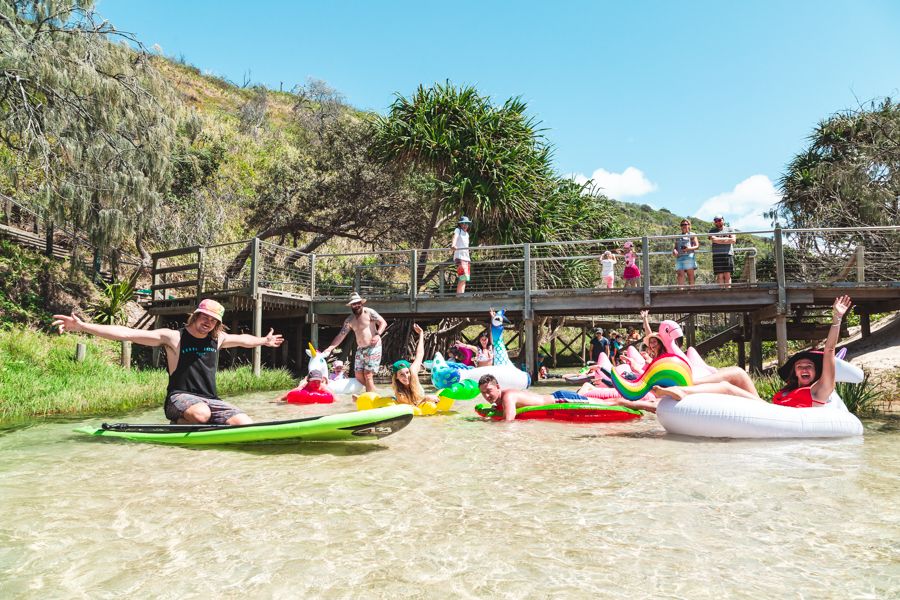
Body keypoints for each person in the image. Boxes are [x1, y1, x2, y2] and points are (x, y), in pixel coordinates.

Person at [52, 299, 284, 425]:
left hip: (210, 398)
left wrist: (264, 340)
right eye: (204, 316)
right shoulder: (173, 337)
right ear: (195, 316)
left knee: (244, 422)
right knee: (201, 414)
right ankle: (180, 423)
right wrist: (83, 326)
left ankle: (202, 423)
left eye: (213, 320)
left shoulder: (218, 339)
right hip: (179, 398)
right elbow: (127, 333)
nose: (207, 322)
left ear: (217, 324)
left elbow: (243, 340)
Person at [654, 296, 853, 407]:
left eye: (808, 366)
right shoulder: (788, 390)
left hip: (779, 418)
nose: (803, 369)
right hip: (768, 410)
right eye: (799, 366)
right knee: (738, 373)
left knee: (727, 387)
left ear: (816, 372)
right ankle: (689, 383)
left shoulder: (819, 390)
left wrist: (836, 318)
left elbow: (829, 350)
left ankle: (681, 391)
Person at [478, 374, 656, 421]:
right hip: (558, 398)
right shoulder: (502, 399)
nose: (487, 396)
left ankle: (649, 405)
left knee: (608, 402)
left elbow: (508, 422)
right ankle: (647, 404)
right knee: (606, 401)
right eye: (483, 393)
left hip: (561, 400)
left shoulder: (508, 396)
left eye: (489, 390)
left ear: (498, 387)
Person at [322, 292, 387, 393]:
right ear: (351, 306)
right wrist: (330, 347)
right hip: (360, 349)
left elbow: (383, 322)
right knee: (358, 375)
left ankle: (371, 396)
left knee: (368, 374)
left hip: (373, 347)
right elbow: (341, 335)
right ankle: (374, 392)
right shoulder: (349, 320)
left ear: (361, 303)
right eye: (354, 304)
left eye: (358, 303)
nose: (356, 305)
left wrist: (378, 334)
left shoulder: (369, 312)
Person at [391, 324, 438, 407]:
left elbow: (420, 354)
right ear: (396, 377)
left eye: (407, 372)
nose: (406, 376)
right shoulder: (399, 393)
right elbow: (411, 408)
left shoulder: (412, 372)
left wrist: (421, 334)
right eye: (401, 374)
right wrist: (425, 398)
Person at [708, 214, 736, 287]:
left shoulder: (730, 229)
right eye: (716, 221)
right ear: (714, 222)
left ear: (723, 220)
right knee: (719, 276)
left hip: (728, 254)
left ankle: (728, 293)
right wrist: (727, 239)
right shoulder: (712, 231)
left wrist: (718, 239)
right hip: (717, 255)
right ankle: (721, 293)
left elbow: (733, 240)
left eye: (719, 220)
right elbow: (713, 240)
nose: (718, 222)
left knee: (727, 275)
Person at [673, 219, 700, 286]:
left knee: (690, 276)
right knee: (680, 276)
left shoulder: (692, 234)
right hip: (679, 257)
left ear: (689, 225)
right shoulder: (678, 236)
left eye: (685, 224)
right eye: (682, 225)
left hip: (689, 256)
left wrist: (688, 249)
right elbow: (675, 247)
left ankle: (692, 293)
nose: (684, 226)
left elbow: (697, 246)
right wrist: (674, 250)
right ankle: (681, 293)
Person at [452, 215, 472, 295]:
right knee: (462, 277)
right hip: (460, 257)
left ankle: (461, 295)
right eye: (463, 223)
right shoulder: (458, 230)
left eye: (466, 223)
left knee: (465, 278)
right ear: (460, 224)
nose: (465, 225)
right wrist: (453, 245)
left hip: (466, 258)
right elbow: (455, 237)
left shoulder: (467, 234)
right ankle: (459, 296)